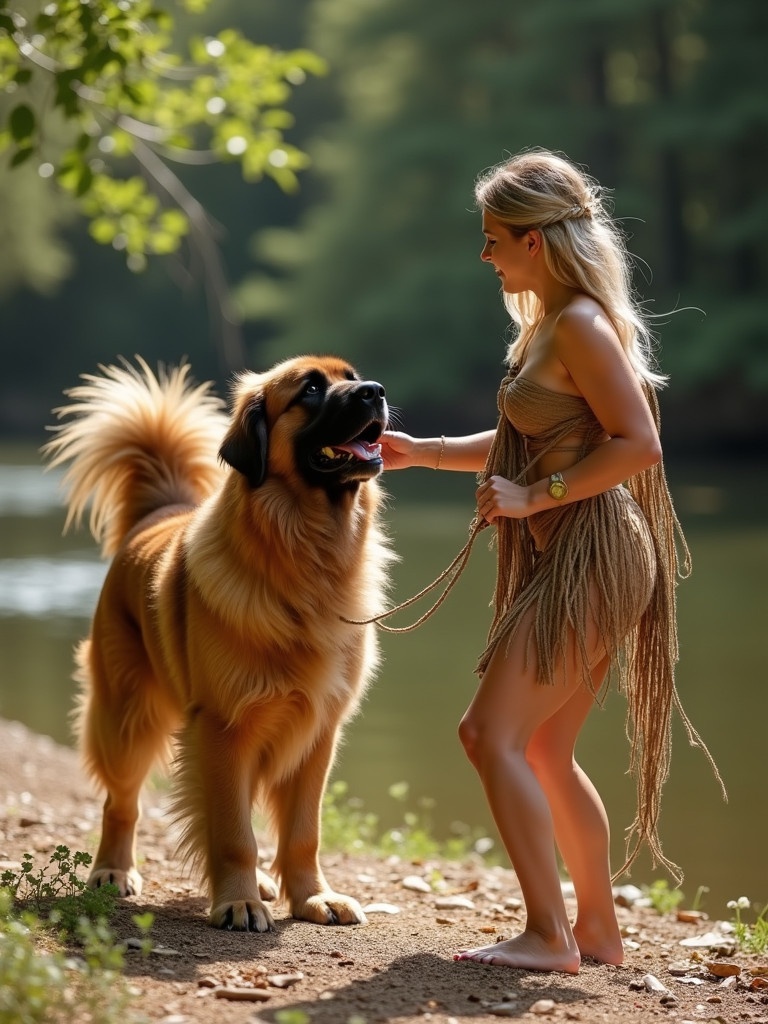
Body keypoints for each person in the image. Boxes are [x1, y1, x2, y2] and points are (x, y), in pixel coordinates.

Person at [380, 148, 720, 974]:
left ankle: (548, 935)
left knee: (488, 734)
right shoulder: (550, 324)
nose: (485, 253)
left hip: (594, 552)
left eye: (494, 237)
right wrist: (420, 452)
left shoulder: (580, 325)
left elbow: (640, 444)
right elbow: (517, 442)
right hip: (585, 552)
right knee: (543, 750)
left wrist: (539, 497)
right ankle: (596, 932)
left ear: (536, 241)